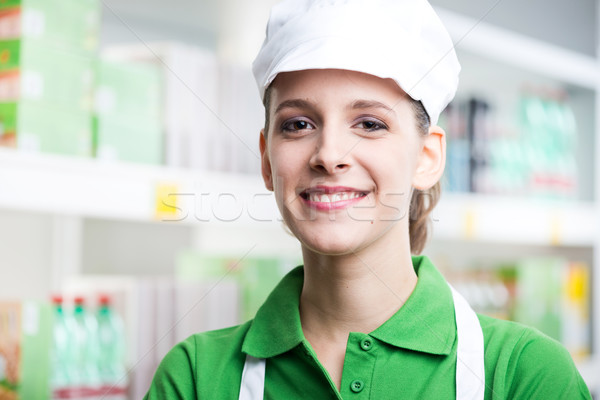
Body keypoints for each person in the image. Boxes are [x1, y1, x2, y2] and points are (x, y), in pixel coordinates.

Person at [145, 0, 592, 398]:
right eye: (298, 124)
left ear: (428, 157)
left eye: (370, 124)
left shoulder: (524, 375)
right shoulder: (197, 378)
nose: (329, 155)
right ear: (266, 160)